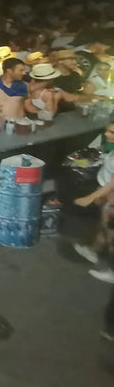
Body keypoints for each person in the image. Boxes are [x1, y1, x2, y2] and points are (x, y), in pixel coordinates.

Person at [73, 121, 114, 283]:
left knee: (110, 232)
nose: (106, 134)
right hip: (106, 194)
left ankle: (111, 271)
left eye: (112, 132)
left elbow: (112, 184)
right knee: (103, 226)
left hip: (111, 197)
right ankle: (94, 250)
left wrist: (89, 198)